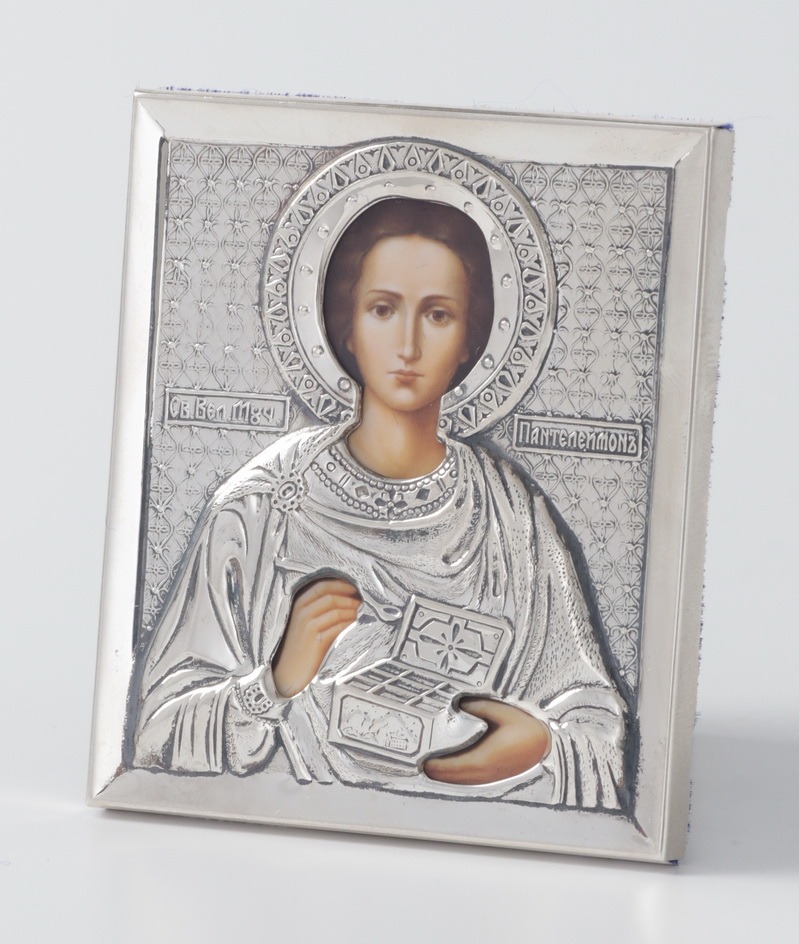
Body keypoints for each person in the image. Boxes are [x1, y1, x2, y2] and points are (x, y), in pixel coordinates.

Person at [131, 198, 627, 808]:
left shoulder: (510, 518)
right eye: (383, 309)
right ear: (346, 324)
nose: (408, 345)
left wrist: (542, 746)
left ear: (470, 338)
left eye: (438, 314)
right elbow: (155, 734)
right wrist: (275, 682)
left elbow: (596, 725)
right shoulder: (263, 508)